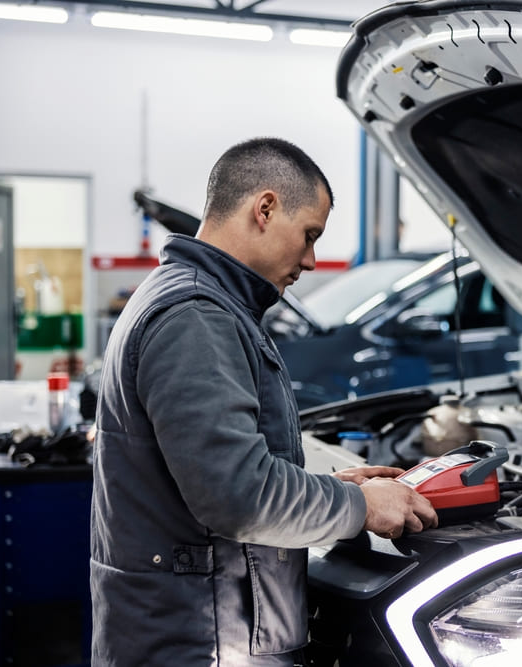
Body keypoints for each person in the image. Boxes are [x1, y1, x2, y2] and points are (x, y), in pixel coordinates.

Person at [90, 137, 438, 665]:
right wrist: (361, 506)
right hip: (196, 641)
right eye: (309, 235)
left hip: (191, 625)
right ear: (266, 208)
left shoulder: (201, 300)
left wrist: (327, 489)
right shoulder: (195, 316)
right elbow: (237, 494)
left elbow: (220, 470)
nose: (312, 260)